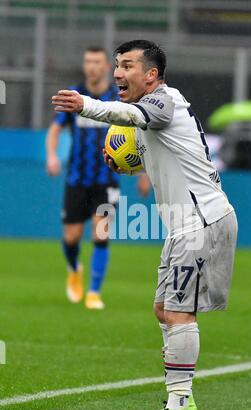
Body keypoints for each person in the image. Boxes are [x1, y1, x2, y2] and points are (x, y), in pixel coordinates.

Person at [52, 40, 237, 410]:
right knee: (163, 310)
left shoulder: (166, 101)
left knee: (177, 313)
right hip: (183, 224)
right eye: (117, 65)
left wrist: (85, 105)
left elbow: (126, 114)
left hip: (201, 222)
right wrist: (130, 162)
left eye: (128, 65)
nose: (119, 72)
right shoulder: (153, 113)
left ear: (151, 74)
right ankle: (178, 405)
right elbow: (143, 137)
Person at [47, 46, 150, 310]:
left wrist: (144, 173)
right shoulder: (74, 94)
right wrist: (52, 156)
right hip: (76, 178)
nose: (91, 66)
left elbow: (142, 135)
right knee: (71, 237)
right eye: (87, 61)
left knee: (100, 233)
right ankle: (74, 268)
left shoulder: (118, 97)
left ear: (106, 67)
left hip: (107, 180)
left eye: (97, 62)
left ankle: (93, 292)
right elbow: (55, 130)